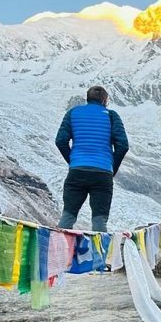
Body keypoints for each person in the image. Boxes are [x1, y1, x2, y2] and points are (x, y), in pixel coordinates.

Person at [54, 85, 129, 233]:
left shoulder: (73, 113)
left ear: (87, 98)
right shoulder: (111, 116)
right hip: (102, 174)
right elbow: (123, 146)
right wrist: (111, 168)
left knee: (68, 215)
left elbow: (60, 141)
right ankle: (100, 255)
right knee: (99, 220)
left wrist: (74, 162)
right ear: (105, 101)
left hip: (77, 172)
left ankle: (57, 253)